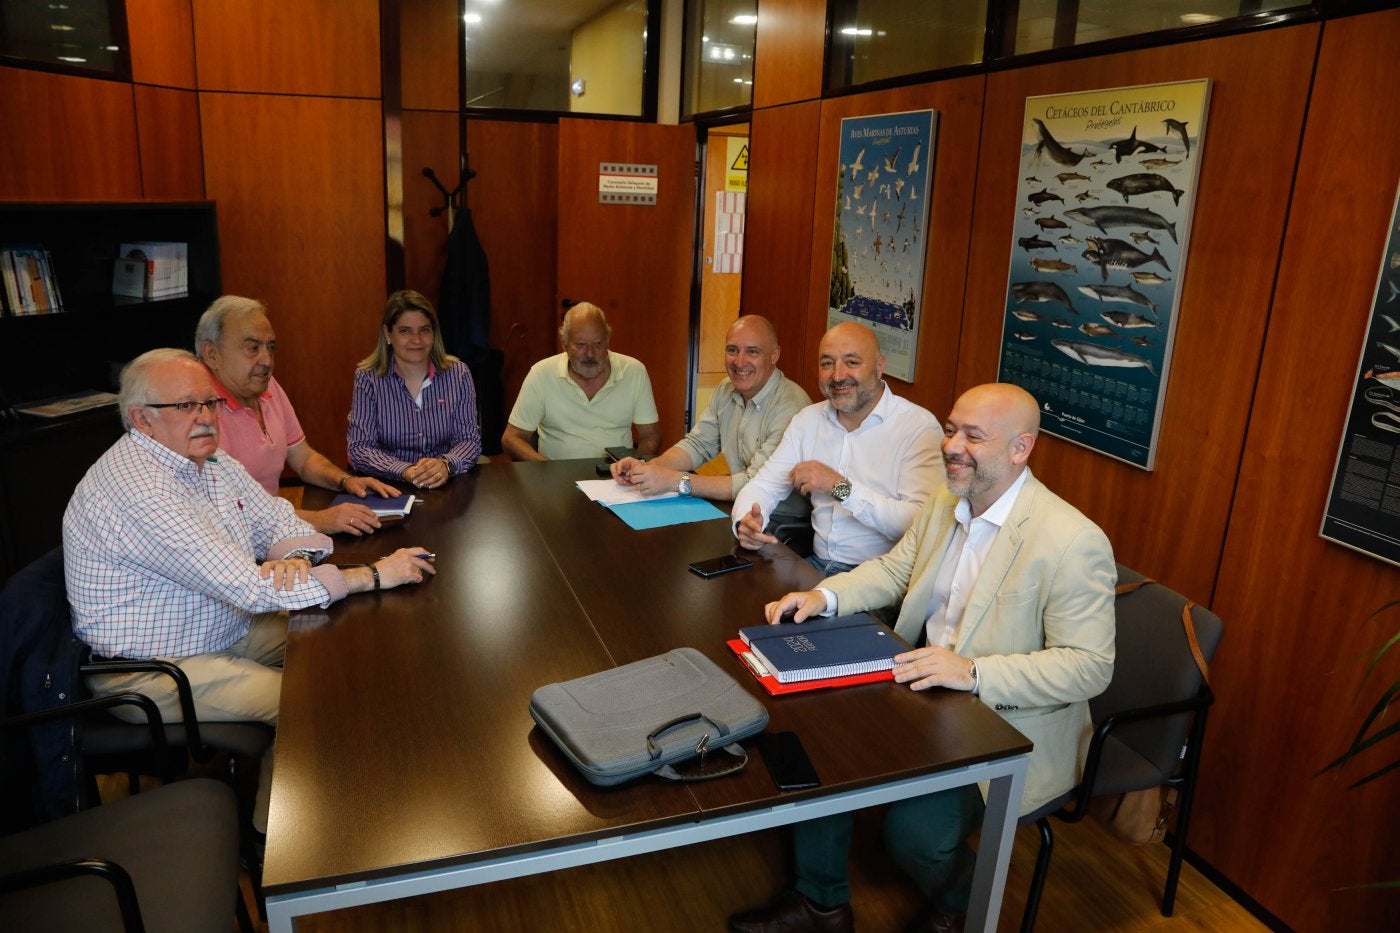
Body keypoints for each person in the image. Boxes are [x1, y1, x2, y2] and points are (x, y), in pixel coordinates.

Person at [729, 383, 1116, 933]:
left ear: (1020, 449)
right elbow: (894, 570)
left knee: (916, 835)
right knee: (815, 747)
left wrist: (975, 673)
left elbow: (1089, 666)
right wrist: (825, 596)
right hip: (920, 683)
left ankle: (961, 904)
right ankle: (822, 904)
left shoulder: (1071, 540)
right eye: (952, 429)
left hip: (1003, 719)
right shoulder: (945, 501)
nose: (952, 444)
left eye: (973, 436)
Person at [63, 348, 436, 831]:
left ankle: (357, 787)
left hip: (218, 627)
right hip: (152, 670)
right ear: (142, 419)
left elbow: (276, 518)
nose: (204, 418)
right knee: (308, 703)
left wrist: (295, 559)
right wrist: (374, 575)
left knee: (344, 641)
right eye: (186, 407)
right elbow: (247, 587)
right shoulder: (140, 489)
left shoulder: (209, 462)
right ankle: (273, 844)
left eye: (209, 403)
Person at [731, 321, 943, 575]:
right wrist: (748, 521)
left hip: (882, 578)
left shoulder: (918, 427)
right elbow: (764, 485)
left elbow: (919, 522)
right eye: (827, 363)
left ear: (879, 366)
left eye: (852, 362)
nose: (838, 375)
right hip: (815, 566)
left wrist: (840, 488)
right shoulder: (808, 420)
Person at [195, 295, 400, 537]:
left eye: (270, 347)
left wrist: (345, 481)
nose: (267, 360)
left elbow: (303, 459)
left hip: (273, 530)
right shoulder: (197, 411)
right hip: (235, 542)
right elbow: (231, 511)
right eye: (252, 348)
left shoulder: (267, 386)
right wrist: (319, 520)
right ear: (212, 354)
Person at [610, 315, 809, 505]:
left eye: (752, 351)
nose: (739, 362)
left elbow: (756, 484)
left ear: (774, 355)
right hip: (741, 508)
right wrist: (646, 469)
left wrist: (674, 481)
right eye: (732, 350)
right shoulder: (726, 389)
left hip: (779, 521)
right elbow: (698, 444)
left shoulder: (791, 408)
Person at [348, 289, 483, 487]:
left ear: (433, 333)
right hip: (389, 486)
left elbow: (469, 440)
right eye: (405, 331)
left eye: (424, 329)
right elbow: (360, 448)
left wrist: (445, 465)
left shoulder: (458, 374)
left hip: (445, 485)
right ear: (388, 334)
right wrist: (405, 470)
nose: (417, 339)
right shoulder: (368, 378)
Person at [502, 301, 661, 461]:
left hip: (615, 477)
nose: (590, 354)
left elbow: (651, 437)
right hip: (556, 475)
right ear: (564, 343)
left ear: (608, 340)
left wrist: (635, 470)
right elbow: (511, 439)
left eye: (598, 344)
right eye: (581, 345)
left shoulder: (634, 371)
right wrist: (545, 470)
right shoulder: (541, 373)